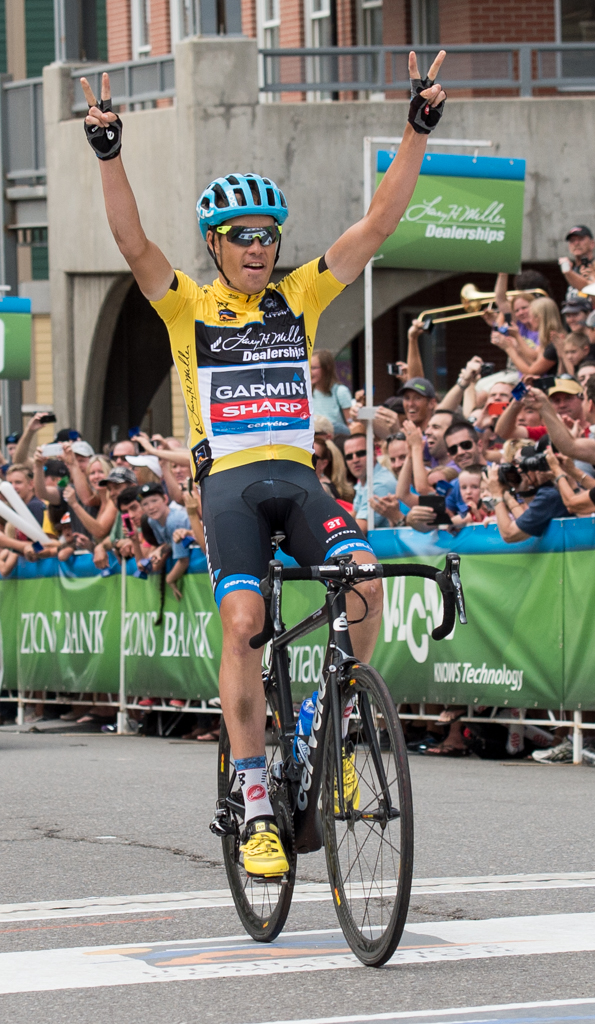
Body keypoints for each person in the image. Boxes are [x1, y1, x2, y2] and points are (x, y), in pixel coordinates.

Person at [81, 55, 449, 874]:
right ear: (216, 244)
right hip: (232, 488)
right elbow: (132, 242)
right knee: (245, 627)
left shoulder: (302, 295)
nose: (258, 247)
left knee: (365, 584)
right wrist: (109, 153)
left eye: (267, 234)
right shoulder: (186, 304)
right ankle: (253, 800)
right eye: (242, 237)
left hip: (300, 479)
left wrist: (416, 132)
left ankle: (329, 724)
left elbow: (378, 226)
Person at [138, 482, 191, 598]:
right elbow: (169, 544)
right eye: (145, 504)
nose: (151, 507)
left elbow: (183, 560)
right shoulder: (152, 521)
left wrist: (170, 579)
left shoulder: (175, 521)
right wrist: (160, 550)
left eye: (154, 501)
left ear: (165, 499)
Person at [344, 432, 401, 530]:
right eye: (349, 456)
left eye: (361, 453)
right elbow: (354, 514)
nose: (355, 459)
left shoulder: (380, 484)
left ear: (374, 453)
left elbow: (359, 529)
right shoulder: (365, 481)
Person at [310, 350, 353, 436]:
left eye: (314, 368)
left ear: (327, 368)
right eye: (308, 368)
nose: (310, 372)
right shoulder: (307, 392)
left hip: (335, 437)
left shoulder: (340, 391)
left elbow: (350, 423)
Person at [558, 225, 595, 294]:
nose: (576, 243)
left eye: (581, 239)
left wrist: (568, 273)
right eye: (572, 240)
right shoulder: (573, 269)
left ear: (592, 244)